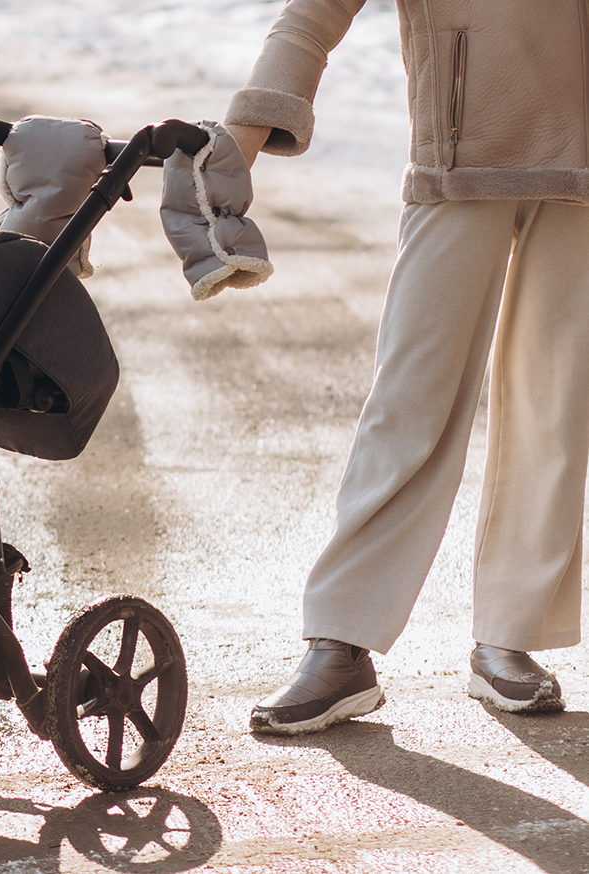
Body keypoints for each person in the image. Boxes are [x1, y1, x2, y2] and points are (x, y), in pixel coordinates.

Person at [222, 0, 589, 734]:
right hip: (459, 159)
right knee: (409, 401)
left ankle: (508, 637)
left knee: (558, 406)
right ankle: (341, 641)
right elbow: (314, 12)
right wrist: (242, 137)